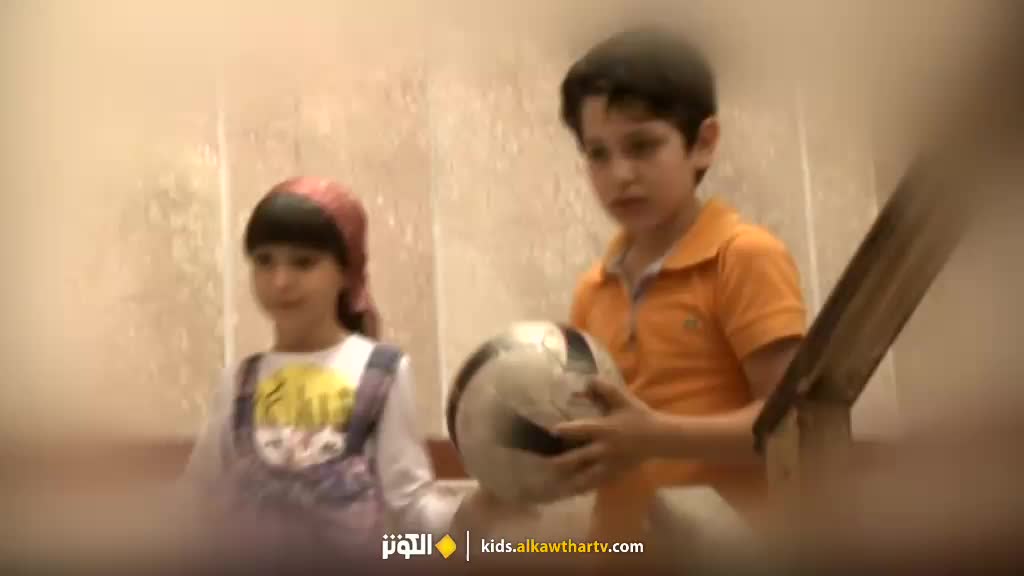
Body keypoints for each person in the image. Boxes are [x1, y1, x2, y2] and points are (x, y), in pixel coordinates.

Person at [455, 27, 808, 543]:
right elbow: (595, 437)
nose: (620, 173)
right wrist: (514, 471)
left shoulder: (743, 256)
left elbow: (792, 427)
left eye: (642, 146)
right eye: (598, 153)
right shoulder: (593, 289)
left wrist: (656, 436)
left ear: (703, 144)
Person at [180, 177, 461, 561]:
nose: (280, 281)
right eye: (264, 261)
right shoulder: (238, 382)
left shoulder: (383, 372)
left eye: (304, 262)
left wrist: (473, 529)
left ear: (346, 272)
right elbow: (196, 504)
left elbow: (412, 508)